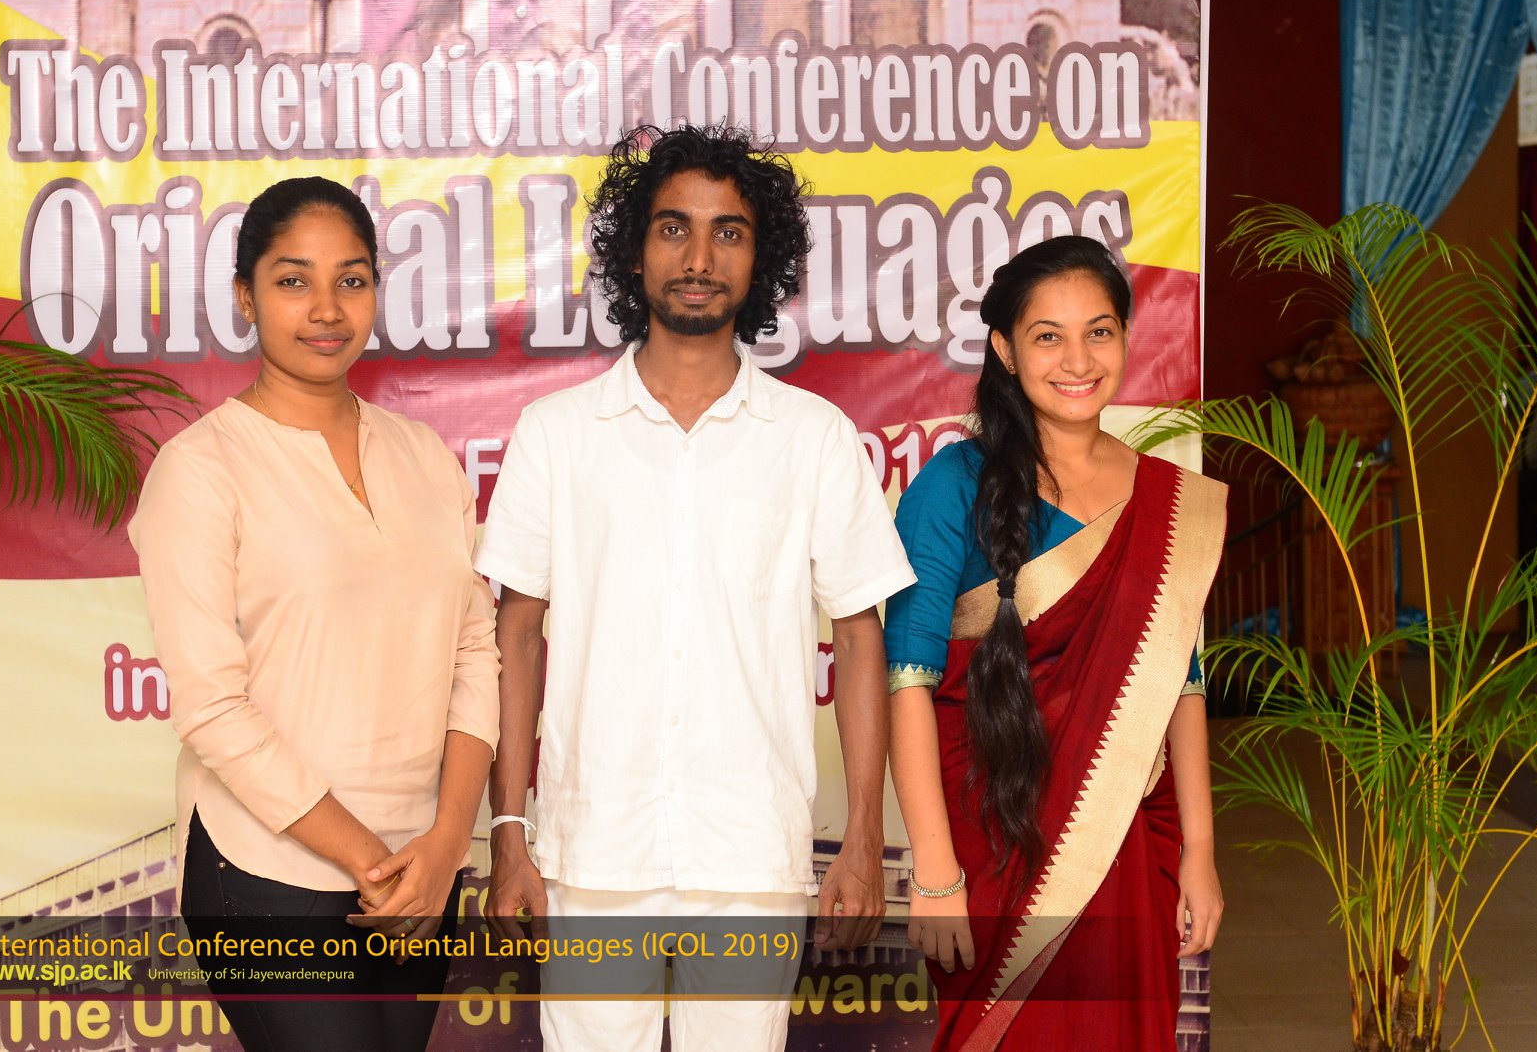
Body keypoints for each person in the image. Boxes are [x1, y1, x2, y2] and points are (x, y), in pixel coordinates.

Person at [476, 124, 916, 1052]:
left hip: (749, 852)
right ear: (634, 252)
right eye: (673, 228)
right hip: (592, 849)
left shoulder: (813, 438)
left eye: (729, 232)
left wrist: (863, 836)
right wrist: (509, 829)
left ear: (761, 259)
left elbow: (859, 634)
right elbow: (514, 637)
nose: (699, 258)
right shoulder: (557, 433)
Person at [128, 177, 500, 1052]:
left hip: (420, 867)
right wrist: (373, 861)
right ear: (245, 297)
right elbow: (212, 707)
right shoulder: (202, 469)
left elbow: (474, 651)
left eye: (352, 280)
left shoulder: (424, 457)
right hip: (269, 866)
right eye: (293, 280)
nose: (326, 309)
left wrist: (447, 841)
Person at [883, 235, 1226, 1049]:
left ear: (1126, 336)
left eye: (1098, 332)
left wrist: (1202, 853)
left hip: (1126, 839)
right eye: (1047, 336)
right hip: (990, 840)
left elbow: (1180, 685)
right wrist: (934, 871)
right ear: (1004, 350)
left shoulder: (1165, 500)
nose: (1078, 360)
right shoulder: (950, 485)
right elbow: (906, 680)